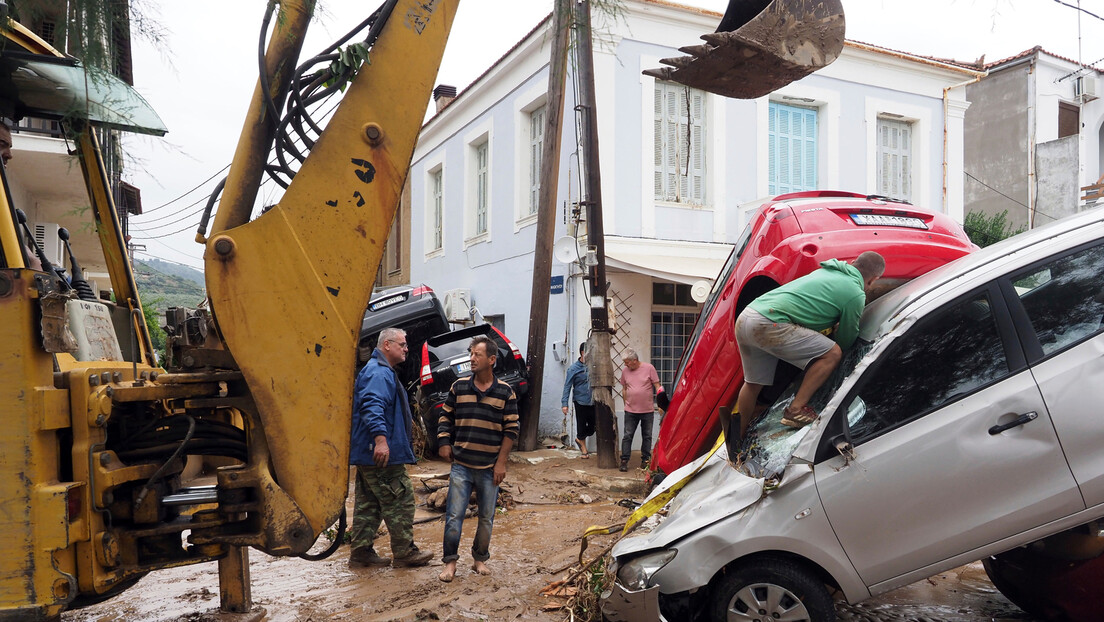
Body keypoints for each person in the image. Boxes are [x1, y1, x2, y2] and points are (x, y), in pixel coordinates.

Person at [733, 251, 886, 443]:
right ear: (874, 279)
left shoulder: (825, 272)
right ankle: (796, 409)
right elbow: (846, 341)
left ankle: (736, 438)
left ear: (853, 262)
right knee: (832, 353)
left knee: (753, 384)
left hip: (749, 316)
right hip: (769, 323)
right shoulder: (855, 294)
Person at [347, 327, 434, 568]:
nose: (406, 349)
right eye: (402, 344)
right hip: (378, 452)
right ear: (387, 345)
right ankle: (405, 552)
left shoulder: (379, 371)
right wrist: (381, 440)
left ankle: (361, 552)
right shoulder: (378, 373)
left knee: (370, 503)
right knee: (402, 498)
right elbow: (372, 406)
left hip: (368, 453)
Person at [436, 335, 519, 582]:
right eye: (471, 354)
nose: (472, 359)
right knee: (454, 516)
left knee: (486, 518)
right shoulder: (458, 387)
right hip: (461, 465)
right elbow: (445, 418)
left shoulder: (506, 392)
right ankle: (450, 563)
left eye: (477, 355)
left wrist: (501, 463)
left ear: (491, 360)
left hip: (489, 468)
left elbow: (511, 430)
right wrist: (443, 442)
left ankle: (479, 559)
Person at [618, 348, 663, 472]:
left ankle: (645, 460)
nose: (625, 365)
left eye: (627, 362)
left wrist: (660, 403)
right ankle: (624, 460)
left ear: (634, 360)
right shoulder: (625, 371)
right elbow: (624, 388)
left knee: (647, 436)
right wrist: (625, 404)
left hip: (647, 410)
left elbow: (657, 386)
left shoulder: (649, 368)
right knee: (627, 435)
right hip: (630, 410)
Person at [561, 342, 594, 458]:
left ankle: (579, 439)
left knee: (593, 426)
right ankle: (584, 449)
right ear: (583, 353)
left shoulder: (593, 366)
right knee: (581, 424)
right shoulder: (573, 369)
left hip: (593, 400)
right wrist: (564, 404)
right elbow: (567, 386)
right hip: (580, 400)